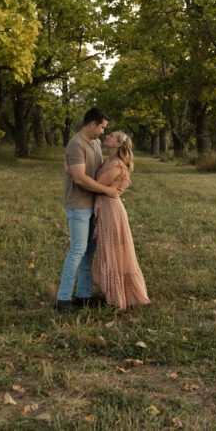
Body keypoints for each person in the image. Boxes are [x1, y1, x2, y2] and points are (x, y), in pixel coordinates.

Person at [72, 131, 150, 311]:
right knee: (109, 250)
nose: (107, 136)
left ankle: (120, 295)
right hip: (105, 209)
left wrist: (73, 172)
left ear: (118, 144)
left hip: (112, 211)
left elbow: (97, 183)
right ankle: (115, 291)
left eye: (113, 136)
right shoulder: (107, 161)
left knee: (113, 251)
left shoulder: (116, 164)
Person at [57, 108, 119, 313]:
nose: (103, 131)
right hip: (78, 205)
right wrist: (107, 191)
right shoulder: (76, 144)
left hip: (94, 205)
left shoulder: (95, 143)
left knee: (88, 252)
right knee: (77, 250)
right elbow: (80, 178)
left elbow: (98, 171)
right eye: (102, 127)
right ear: (92, 123)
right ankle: (63, 299)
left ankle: (84, 296)